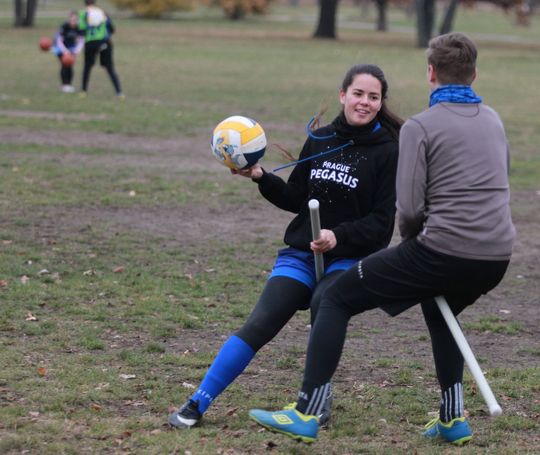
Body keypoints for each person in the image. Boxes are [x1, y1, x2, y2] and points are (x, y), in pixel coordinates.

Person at [248, 32, 516, 445]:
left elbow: (407, 211)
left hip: (442, 251)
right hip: (497, 255)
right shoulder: (494, 119)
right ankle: (452, 419)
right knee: (439, 307)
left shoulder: (420, 127)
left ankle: (306, 412)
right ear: (474, 74)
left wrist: (414, 245)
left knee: (331, 297)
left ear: (430, 73)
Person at [168, 64, 403, 429]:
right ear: (343, 95)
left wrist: (337, 236)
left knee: (325, 306)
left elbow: (381, 224)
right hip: (302, 254)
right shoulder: (321, 139)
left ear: (380, 103)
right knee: (260, 323)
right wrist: (261, 176)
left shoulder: (388, 151)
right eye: (358, 94)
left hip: (346, 258)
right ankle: (199, 401)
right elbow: (296, 197)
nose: (365, 102)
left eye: (374, 97)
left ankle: (315, 404)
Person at [77, 0, 123, 98]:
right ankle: (119, 92)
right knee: (110, 68)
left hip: (91, 43)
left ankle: (83, 91)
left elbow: (81, 30)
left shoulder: (83, 13)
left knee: (87, 67)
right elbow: (112, 29)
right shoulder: (102, 12)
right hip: (105, 42)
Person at [52, 11, 84, 93]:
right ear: (69, 19)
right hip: (59, 48)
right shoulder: (64, 26)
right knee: (64, 64)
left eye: (75, 19)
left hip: (71, 48)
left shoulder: (79, 27)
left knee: (70, 65)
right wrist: (65, 51)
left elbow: (81, 40)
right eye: (72, 19)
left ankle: (69, 85)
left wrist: (76, 51)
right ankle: (64, 85)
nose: (73, 21)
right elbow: (59, 40)